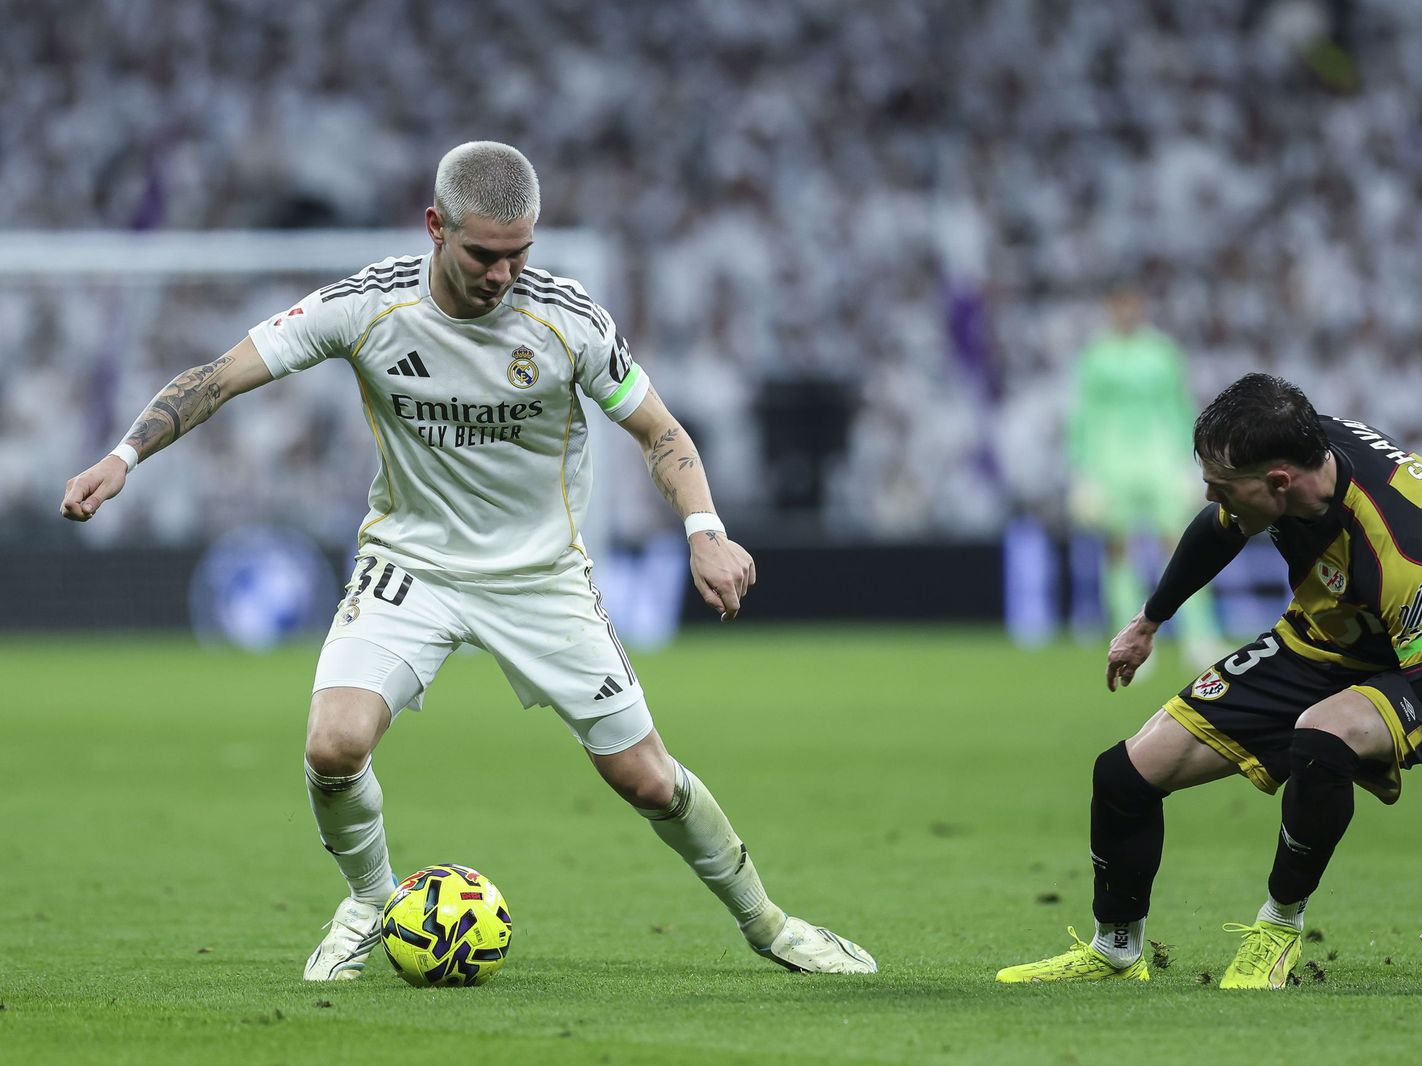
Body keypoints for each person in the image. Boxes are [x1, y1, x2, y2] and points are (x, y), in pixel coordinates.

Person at [60, 141, 875, 980]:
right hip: (411, 563)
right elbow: (220, 375)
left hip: (541, 577)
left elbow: (658, 430)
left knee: (647, 780)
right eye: (484, 253)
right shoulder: (368, 305)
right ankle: (370, 901)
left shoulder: (568, 319)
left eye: (520, 253)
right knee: (334, 746)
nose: (503, 274)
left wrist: (705, 529)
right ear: (435, 227)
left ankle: (771, 925)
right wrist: (124, 456)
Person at [998, 373, 1422, 988]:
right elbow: (1219, 529)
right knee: (1123, 775)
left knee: (1322, 737)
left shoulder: (1399, 550)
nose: (1210, 494)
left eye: (1221, 486)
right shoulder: (1286, 461)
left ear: (1279, 482)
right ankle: (1116, 950)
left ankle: (1278, 929)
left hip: (1417, 669)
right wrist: (1150, 620)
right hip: (1314, 641)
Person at [1065, 284, 1222, 665]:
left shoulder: (1162, 352)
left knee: (1180, 543)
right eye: (1120, 304)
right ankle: (1128, 636)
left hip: (1160, 457)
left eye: (1133, 304)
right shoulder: (1096, 356)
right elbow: (1084, 414)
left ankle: (1199, 635)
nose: (1127, 311)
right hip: (1112, 462)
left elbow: (1179, 405)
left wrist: (1190, 461)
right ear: (1110, 307)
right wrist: (1083, 472)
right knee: (1120, 547)